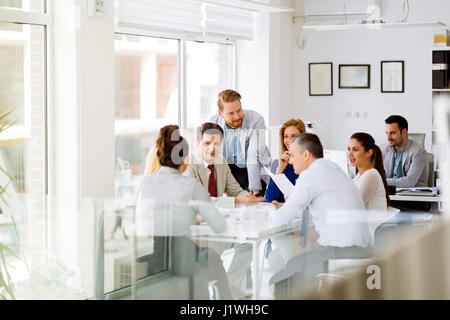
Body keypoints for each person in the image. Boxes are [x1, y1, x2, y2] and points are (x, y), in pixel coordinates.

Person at [267, 133, 372, 297]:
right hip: (360, 248)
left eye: (293, 155)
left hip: (341, 252)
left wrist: (271, 212)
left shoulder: (310, 175)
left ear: (306, 154)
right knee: (291, 266)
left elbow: (283, 217)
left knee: (279, 280)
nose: (291, 160)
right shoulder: (333, 168)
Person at [136, 125, 232, 299]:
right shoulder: (190, 185)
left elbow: (146, 222)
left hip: (156, 259)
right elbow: (219, 225)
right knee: (214, 258)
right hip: (183, 261)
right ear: (185, 159)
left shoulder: (145, 183)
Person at [210, 89, 272, 197]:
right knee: (235, 206)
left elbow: (253, 154)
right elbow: (212, 154)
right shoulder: (214, 122)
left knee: (255, 206)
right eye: (231, 113)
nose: (237, 116)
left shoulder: (256, 119)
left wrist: (256, 191)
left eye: (239, 110)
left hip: (253, 169)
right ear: (220, 114)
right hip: (230, 170)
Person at [184, 122, 261, 207]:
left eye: (216, 143)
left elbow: (235, 190)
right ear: (197, 144)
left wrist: (247, 197)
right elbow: (198, 200)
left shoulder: (221, 161)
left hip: (218, 215)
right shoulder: (188, 164)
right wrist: (236, 201)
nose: (212, 148)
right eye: (207, 143)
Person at [381, 115, 430, 211]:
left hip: (415, 200)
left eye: (392, 133)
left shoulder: (418, 151)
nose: (388, 137)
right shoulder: (382, 149)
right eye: (386, 133)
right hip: (393, 198)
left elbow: (409, 182)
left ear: (404, 132)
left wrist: (380, 181)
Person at [265, 119, 305, 203]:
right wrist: (280, 169)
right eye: (286, 136)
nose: (289, 140)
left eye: (294, 136)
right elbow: (271, 198)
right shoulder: (278, 163)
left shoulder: (308, 162)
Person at [348, 132, 389, 211]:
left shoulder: (371, 175)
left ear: (368, 152)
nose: (349, 154)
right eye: (349, 149)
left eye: (355, 149)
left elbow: (351, 206)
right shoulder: (359, 176)